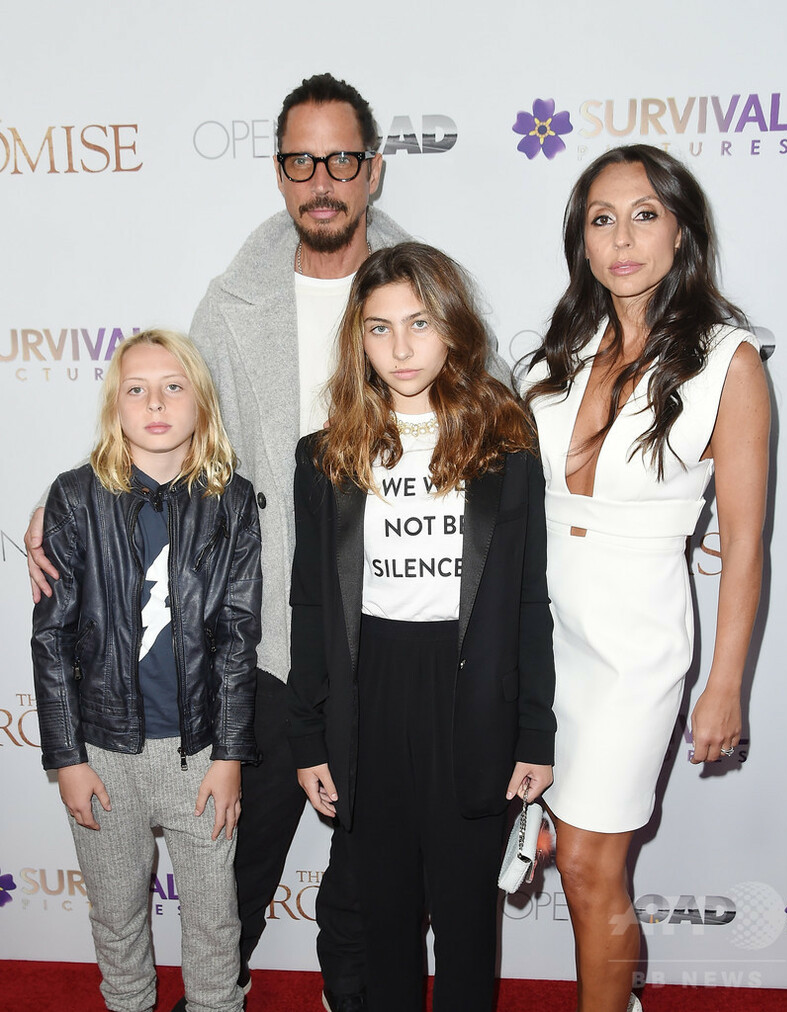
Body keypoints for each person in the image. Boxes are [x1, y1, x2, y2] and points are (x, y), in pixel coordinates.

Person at [24, 73, 509, 1012]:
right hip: (272, 642)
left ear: (373, 169)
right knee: (235, 867)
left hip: (394, 641)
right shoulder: (232, 302)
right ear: (280, 172)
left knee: (372, 870)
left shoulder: (422, 292)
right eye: (300, 161)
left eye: (340, 160)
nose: (321, 181)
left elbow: (488, 434)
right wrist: (67, 499)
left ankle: (352, 993)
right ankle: (218, 994)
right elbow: (176, 427)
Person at [522, 145, 770, 1012]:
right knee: (568, 859)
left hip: (634, 647)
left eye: (644, 215)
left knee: (591, 862)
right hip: (541, 634)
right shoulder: (554, 358)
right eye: (602, 219)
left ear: (681, 231)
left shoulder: (729, 362)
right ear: (581, 241)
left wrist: (725, 684)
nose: (622, 238)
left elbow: (746, 544)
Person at [286, 242, 556, 1012]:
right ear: (358, 339)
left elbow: (528, 599)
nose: (400, 348)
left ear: (453, 329)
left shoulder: (507, 450)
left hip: (472, 701)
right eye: (379, 328)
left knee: (469, 926)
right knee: (386, 922)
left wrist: (535, 732)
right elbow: (312, 605)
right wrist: (307, 736)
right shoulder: (325, 457)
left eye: (420, 323)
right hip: (370, 699)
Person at [31, 329, 262, 1012]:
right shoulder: (74, 498)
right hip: (104, 755)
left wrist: (230, 755)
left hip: (200, 756)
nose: (155, 403)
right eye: (137, 389)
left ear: (201, 402)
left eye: (173, 386)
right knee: (117, 916)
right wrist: (68, 759)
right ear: (115, 405)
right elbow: (51, 639)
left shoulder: (232, 500)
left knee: (216, 922)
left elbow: (238, 638)